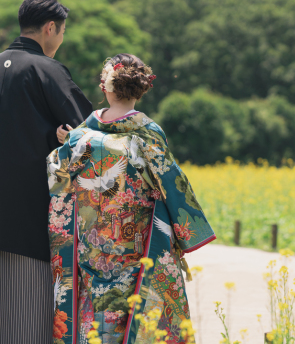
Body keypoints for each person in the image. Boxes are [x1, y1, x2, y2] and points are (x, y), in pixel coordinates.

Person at [48, 54, 215, 344]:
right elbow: (172, 182)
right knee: (138, 306)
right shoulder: (147, 135)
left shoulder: (83, 139)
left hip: (92, 243)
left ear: (106, 88)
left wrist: (67, 142)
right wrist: (186, 230)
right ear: (140, 89)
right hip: (138, 240)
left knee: (94, 305)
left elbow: (58, 177)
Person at [0, 0, 93, 344]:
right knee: (28, 320)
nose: (60, 41)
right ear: (50, 28)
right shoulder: (48, 70)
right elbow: (90, 135)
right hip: (36, 216)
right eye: (61, 33)